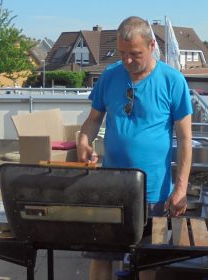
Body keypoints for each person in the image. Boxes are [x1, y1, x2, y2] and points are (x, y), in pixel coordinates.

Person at [77, 16, 192, 280]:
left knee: (146, 263)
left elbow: (185, 139)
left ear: (152, 45)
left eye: (135, 54)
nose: (127, 60)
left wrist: (181, 188)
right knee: (101, 257)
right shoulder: (110, 76)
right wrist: (84, 141)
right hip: (110, 189)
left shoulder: (173, 81)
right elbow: (93, 121)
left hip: (153, 193)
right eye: (122, 53)